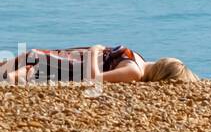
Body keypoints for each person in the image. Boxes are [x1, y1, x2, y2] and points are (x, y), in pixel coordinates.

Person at [1, 45, 197, 86]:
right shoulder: (137, 65)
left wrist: (94, 51)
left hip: (74, 63)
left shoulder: (135, 66)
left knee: (32, 61)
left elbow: (94, 79)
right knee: (32, 65)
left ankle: (10, 76)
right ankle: (12, 76)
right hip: (73, 62)